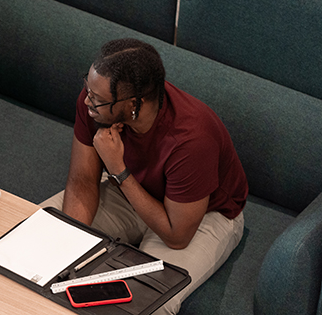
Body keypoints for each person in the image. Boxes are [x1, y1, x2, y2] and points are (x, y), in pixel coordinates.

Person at [41, 38, 248, 314]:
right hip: (131, 188)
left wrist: (119, 170)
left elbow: (177, 236)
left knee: (148, 303)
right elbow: (82, 182)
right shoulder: (94, 102)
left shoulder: (192, 138)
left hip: (203, 215)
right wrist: (69, 246)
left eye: (98, 99)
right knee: (37, 238)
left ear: (134, 104)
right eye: (87, 88)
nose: (87, 100)